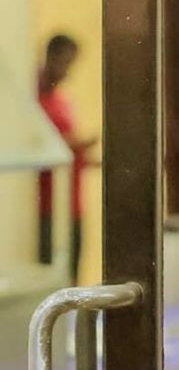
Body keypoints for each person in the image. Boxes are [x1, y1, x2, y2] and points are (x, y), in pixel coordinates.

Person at [38, 34, 97, 283]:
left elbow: (72, 152)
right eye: (65, 62)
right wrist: (90, 139)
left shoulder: (61, 101)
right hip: (49, 206)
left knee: (73, 276)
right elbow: (53, 145)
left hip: (73, 203)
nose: (67, 71)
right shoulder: (35, 101)